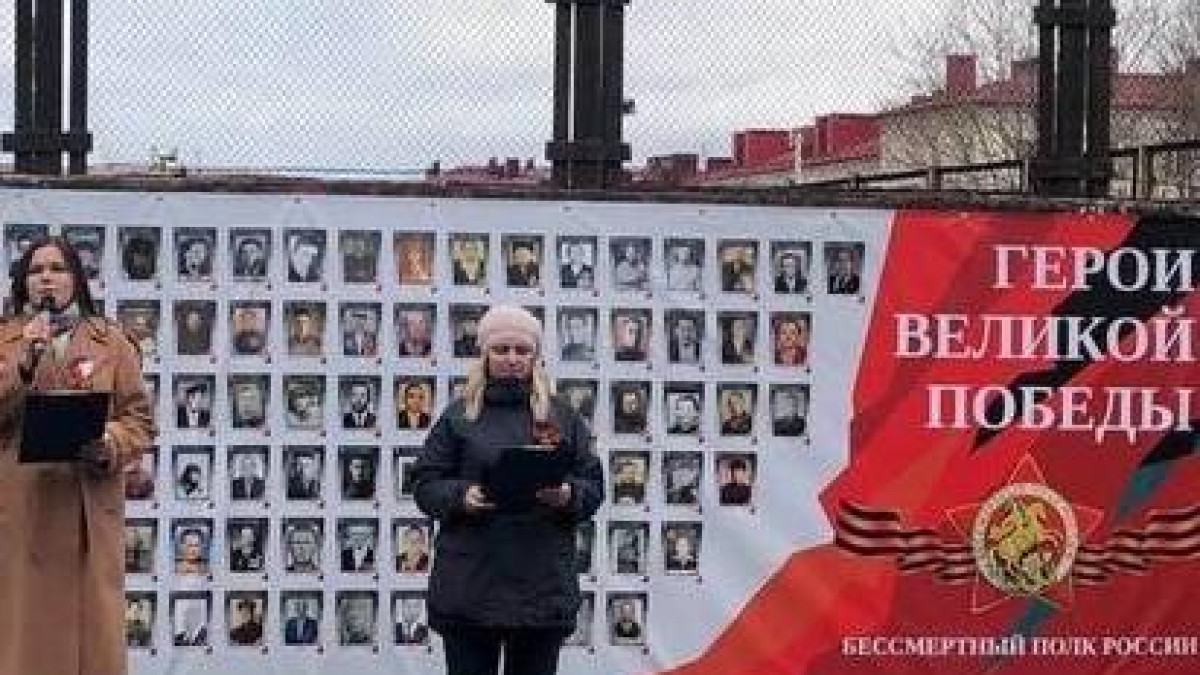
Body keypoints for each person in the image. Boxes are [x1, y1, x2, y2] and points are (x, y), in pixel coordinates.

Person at [411, 304, 604, 675]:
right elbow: (424, 484)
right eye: (501, 350)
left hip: (541, 587)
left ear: (535, 356)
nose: (512, 359)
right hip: (471, 587)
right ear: (484, 354)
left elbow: (593, 485)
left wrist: (567, 495)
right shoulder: (458, 416)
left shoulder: (563, 417)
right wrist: (462, 496)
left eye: (522, 350)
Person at [0, 235, 156, 675]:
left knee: (92, 648)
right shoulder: (7, 341)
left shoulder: (112, 342)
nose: (46, 278)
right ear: (23, 282)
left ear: (76, 280)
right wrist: (24, 365)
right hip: (24, 516)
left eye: (57, 268)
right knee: (25, 645)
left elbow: (140, 420)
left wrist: (110, 442)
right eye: (36, 270)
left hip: (88, 510)